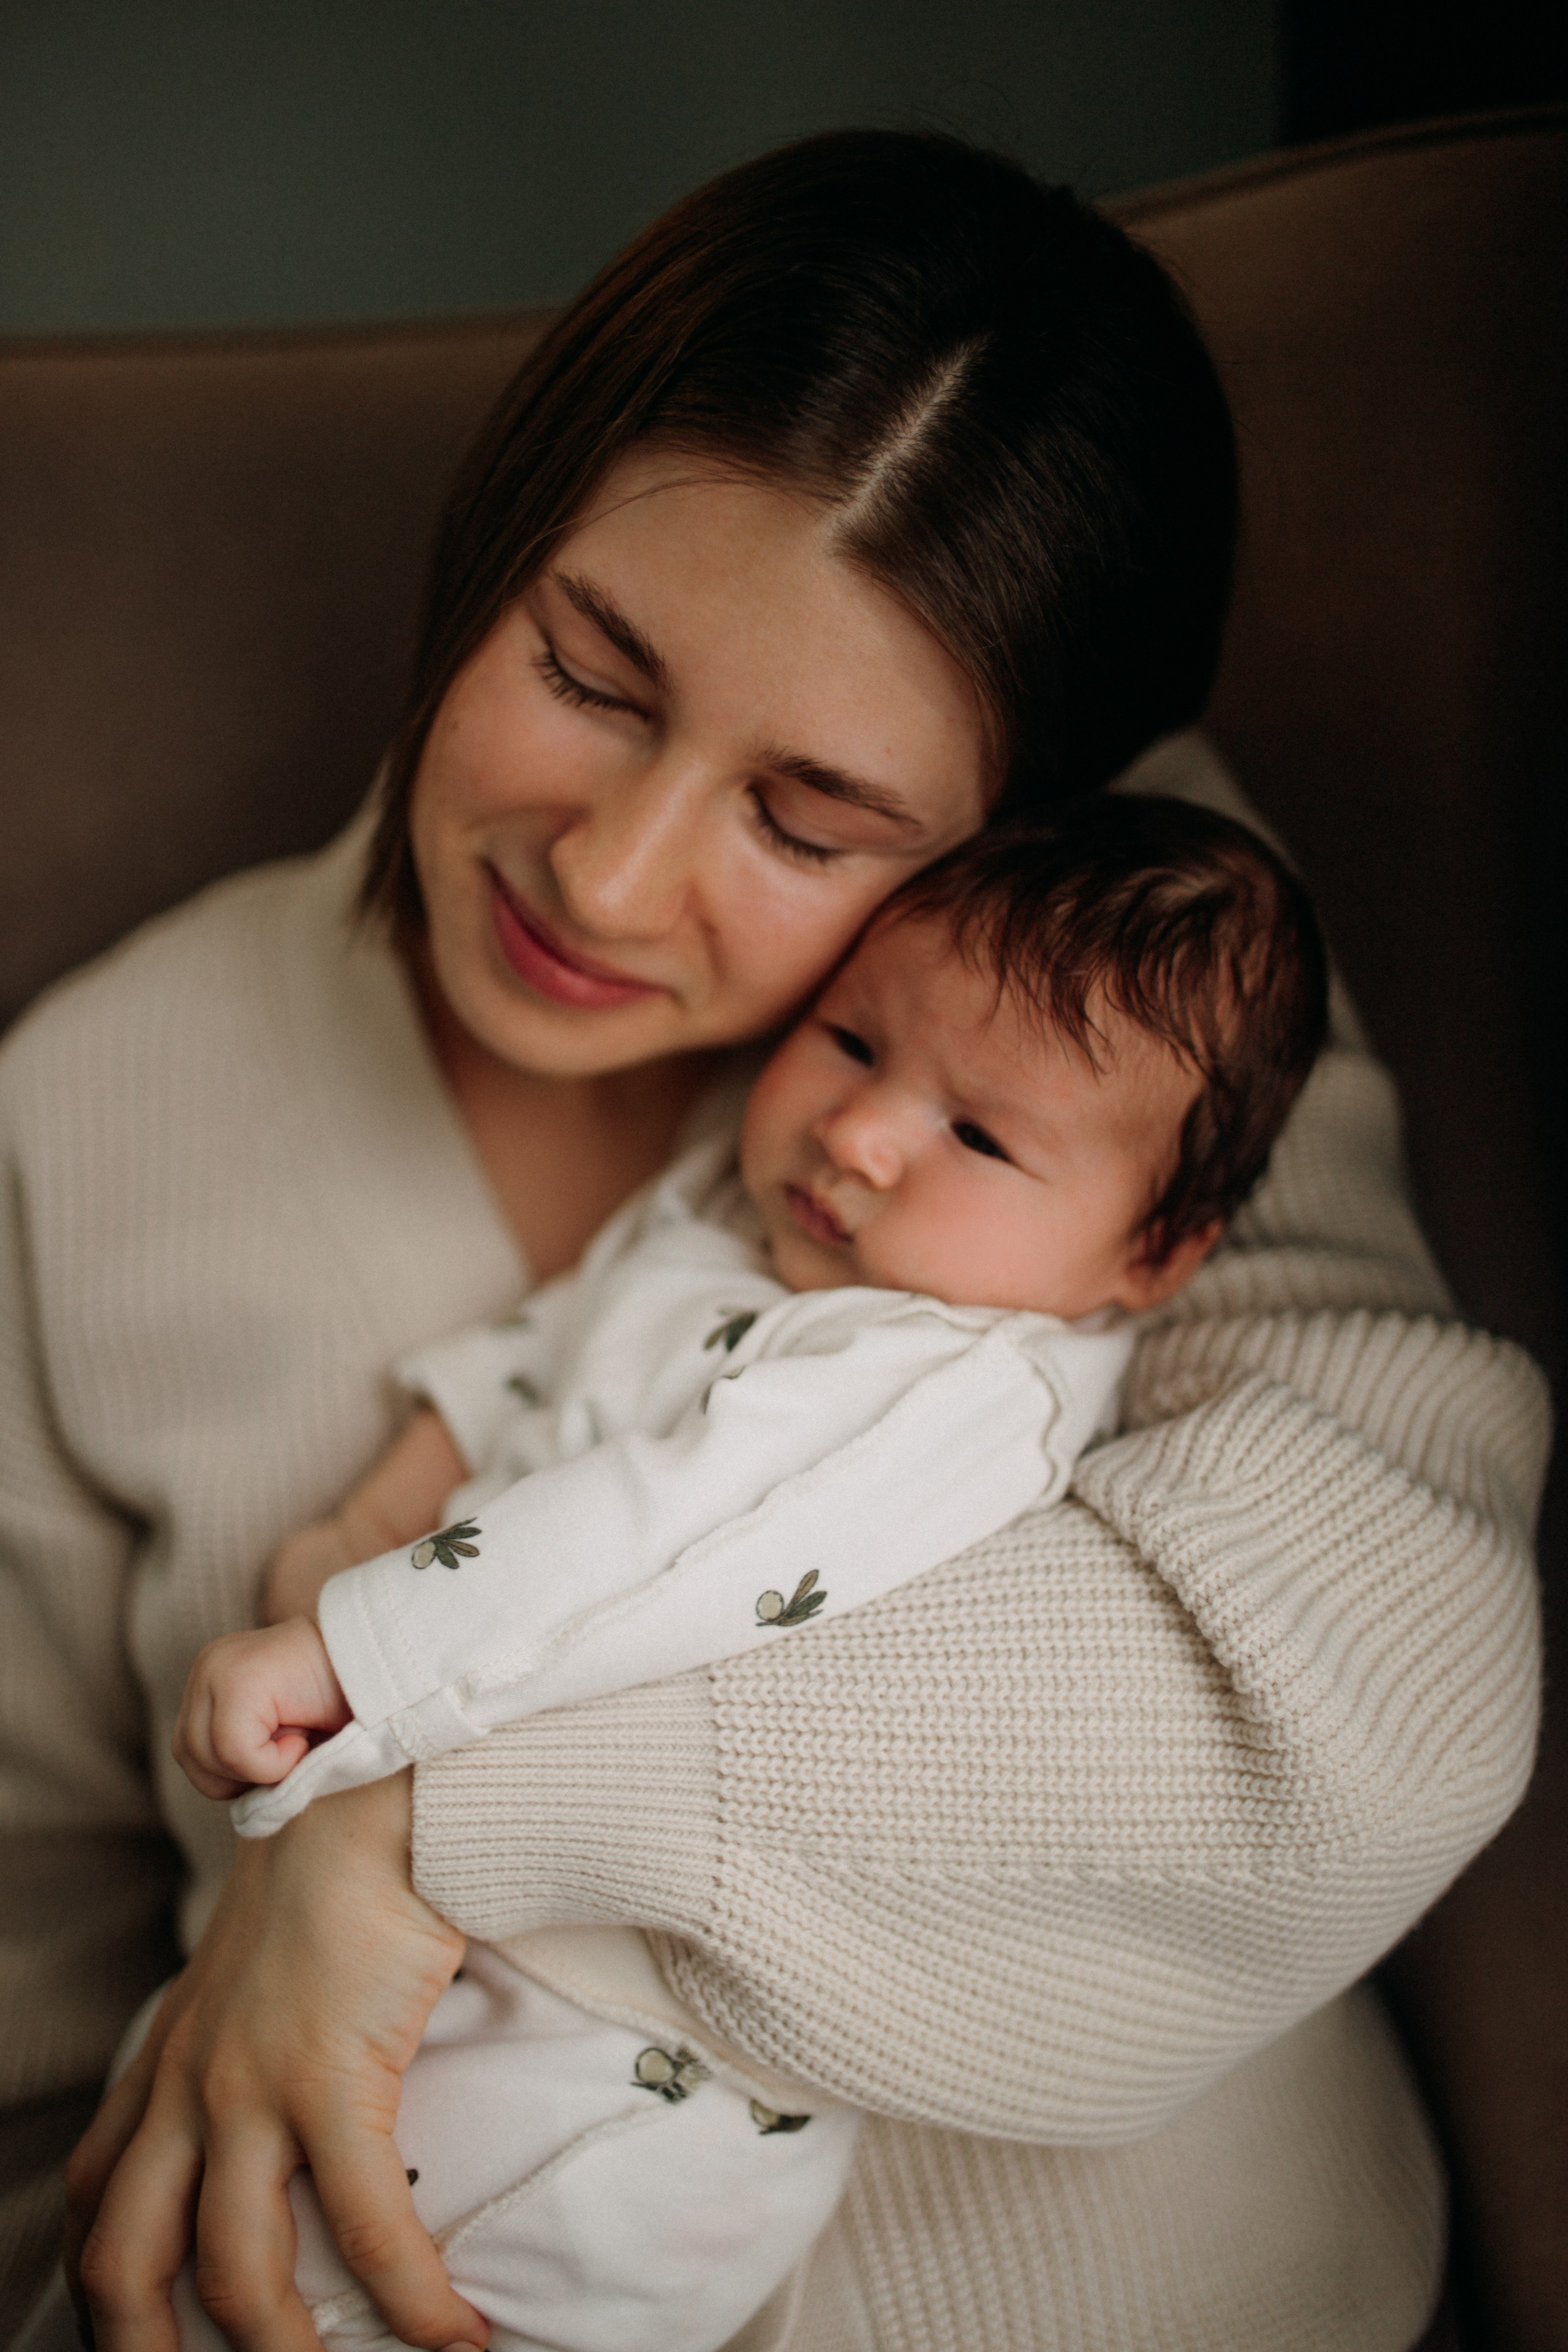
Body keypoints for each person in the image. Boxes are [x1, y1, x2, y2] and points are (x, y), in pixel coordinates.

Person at [0, 130, 1546, 2352]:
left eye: (811, 821)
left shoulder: (1127, 992)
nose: (610, 879)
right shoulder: (102, 1109)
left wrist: (420, 1818)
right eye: (592, 670)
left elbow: (1350, 1691)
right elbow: (32, 2048)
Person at [160, 801, 1326, 2352]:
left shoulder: (951, 1378)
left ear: (1152, 1253)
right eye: (851, 1041)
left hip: (609, 2070)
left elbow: (666, 1535)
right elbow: (546, 1350)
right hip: (453, 1950)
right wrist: (383, 1501)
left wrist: (344, 1646)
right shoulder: (742, 1217)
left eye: (978, 1137)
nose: (861, 1134)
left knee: (334, 2288)